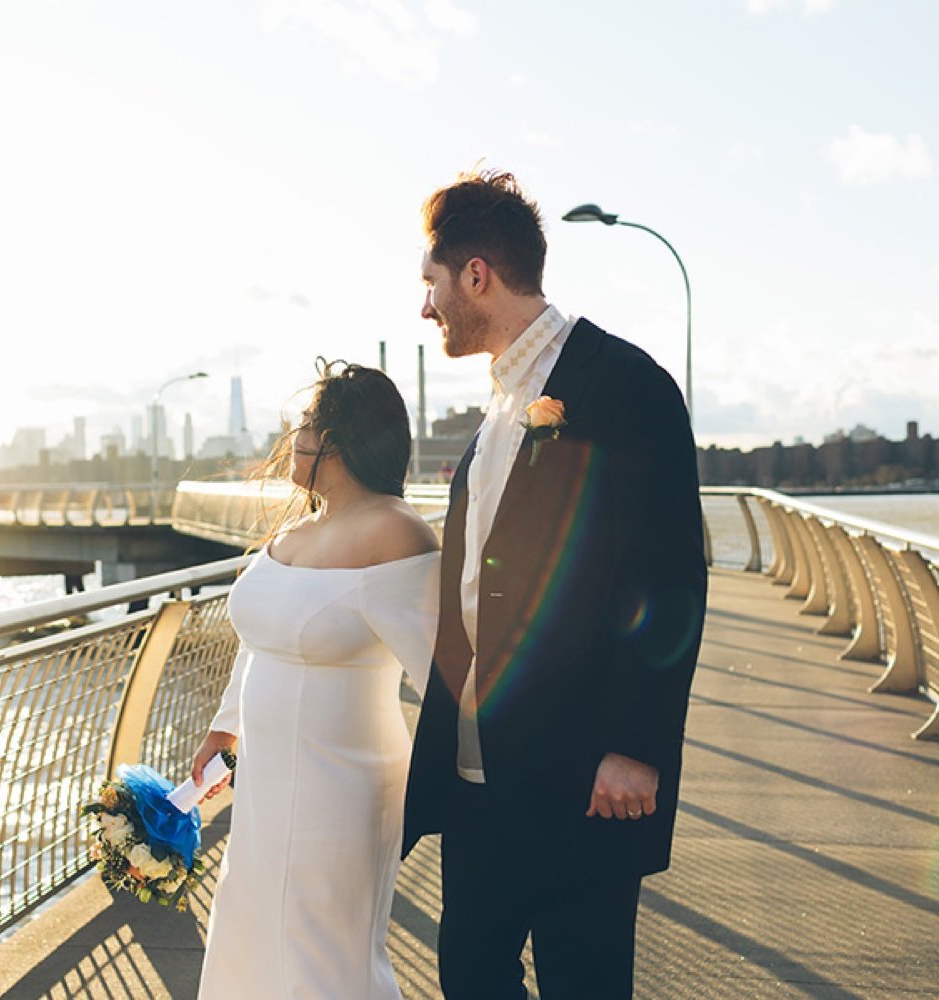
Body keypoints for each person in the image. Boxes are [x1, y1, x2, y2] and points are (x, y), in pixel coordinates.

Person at [403, 170, 707, 998]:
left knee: (584, 982)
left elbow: (669, 578)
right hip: (480, 776)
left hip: (585, 780)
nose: (425, 309)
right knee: (470, 974)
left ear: (476, 276)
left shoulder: (625, 385)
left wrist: (636, 748)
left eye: (431, 286)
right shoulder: (498, 413)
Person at [191, 360, 441, 1000]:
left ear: (339, 439)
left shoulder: (396, 532)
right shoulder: (299, 528)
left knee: (326, 954)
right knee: (251, 931)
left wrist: (475, 790)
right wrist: (225, 728)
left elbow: (446, 673)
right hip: (269, 782)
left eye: (306, 424)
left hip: (344, 785)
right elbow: (262, 642)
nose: (293, 437)